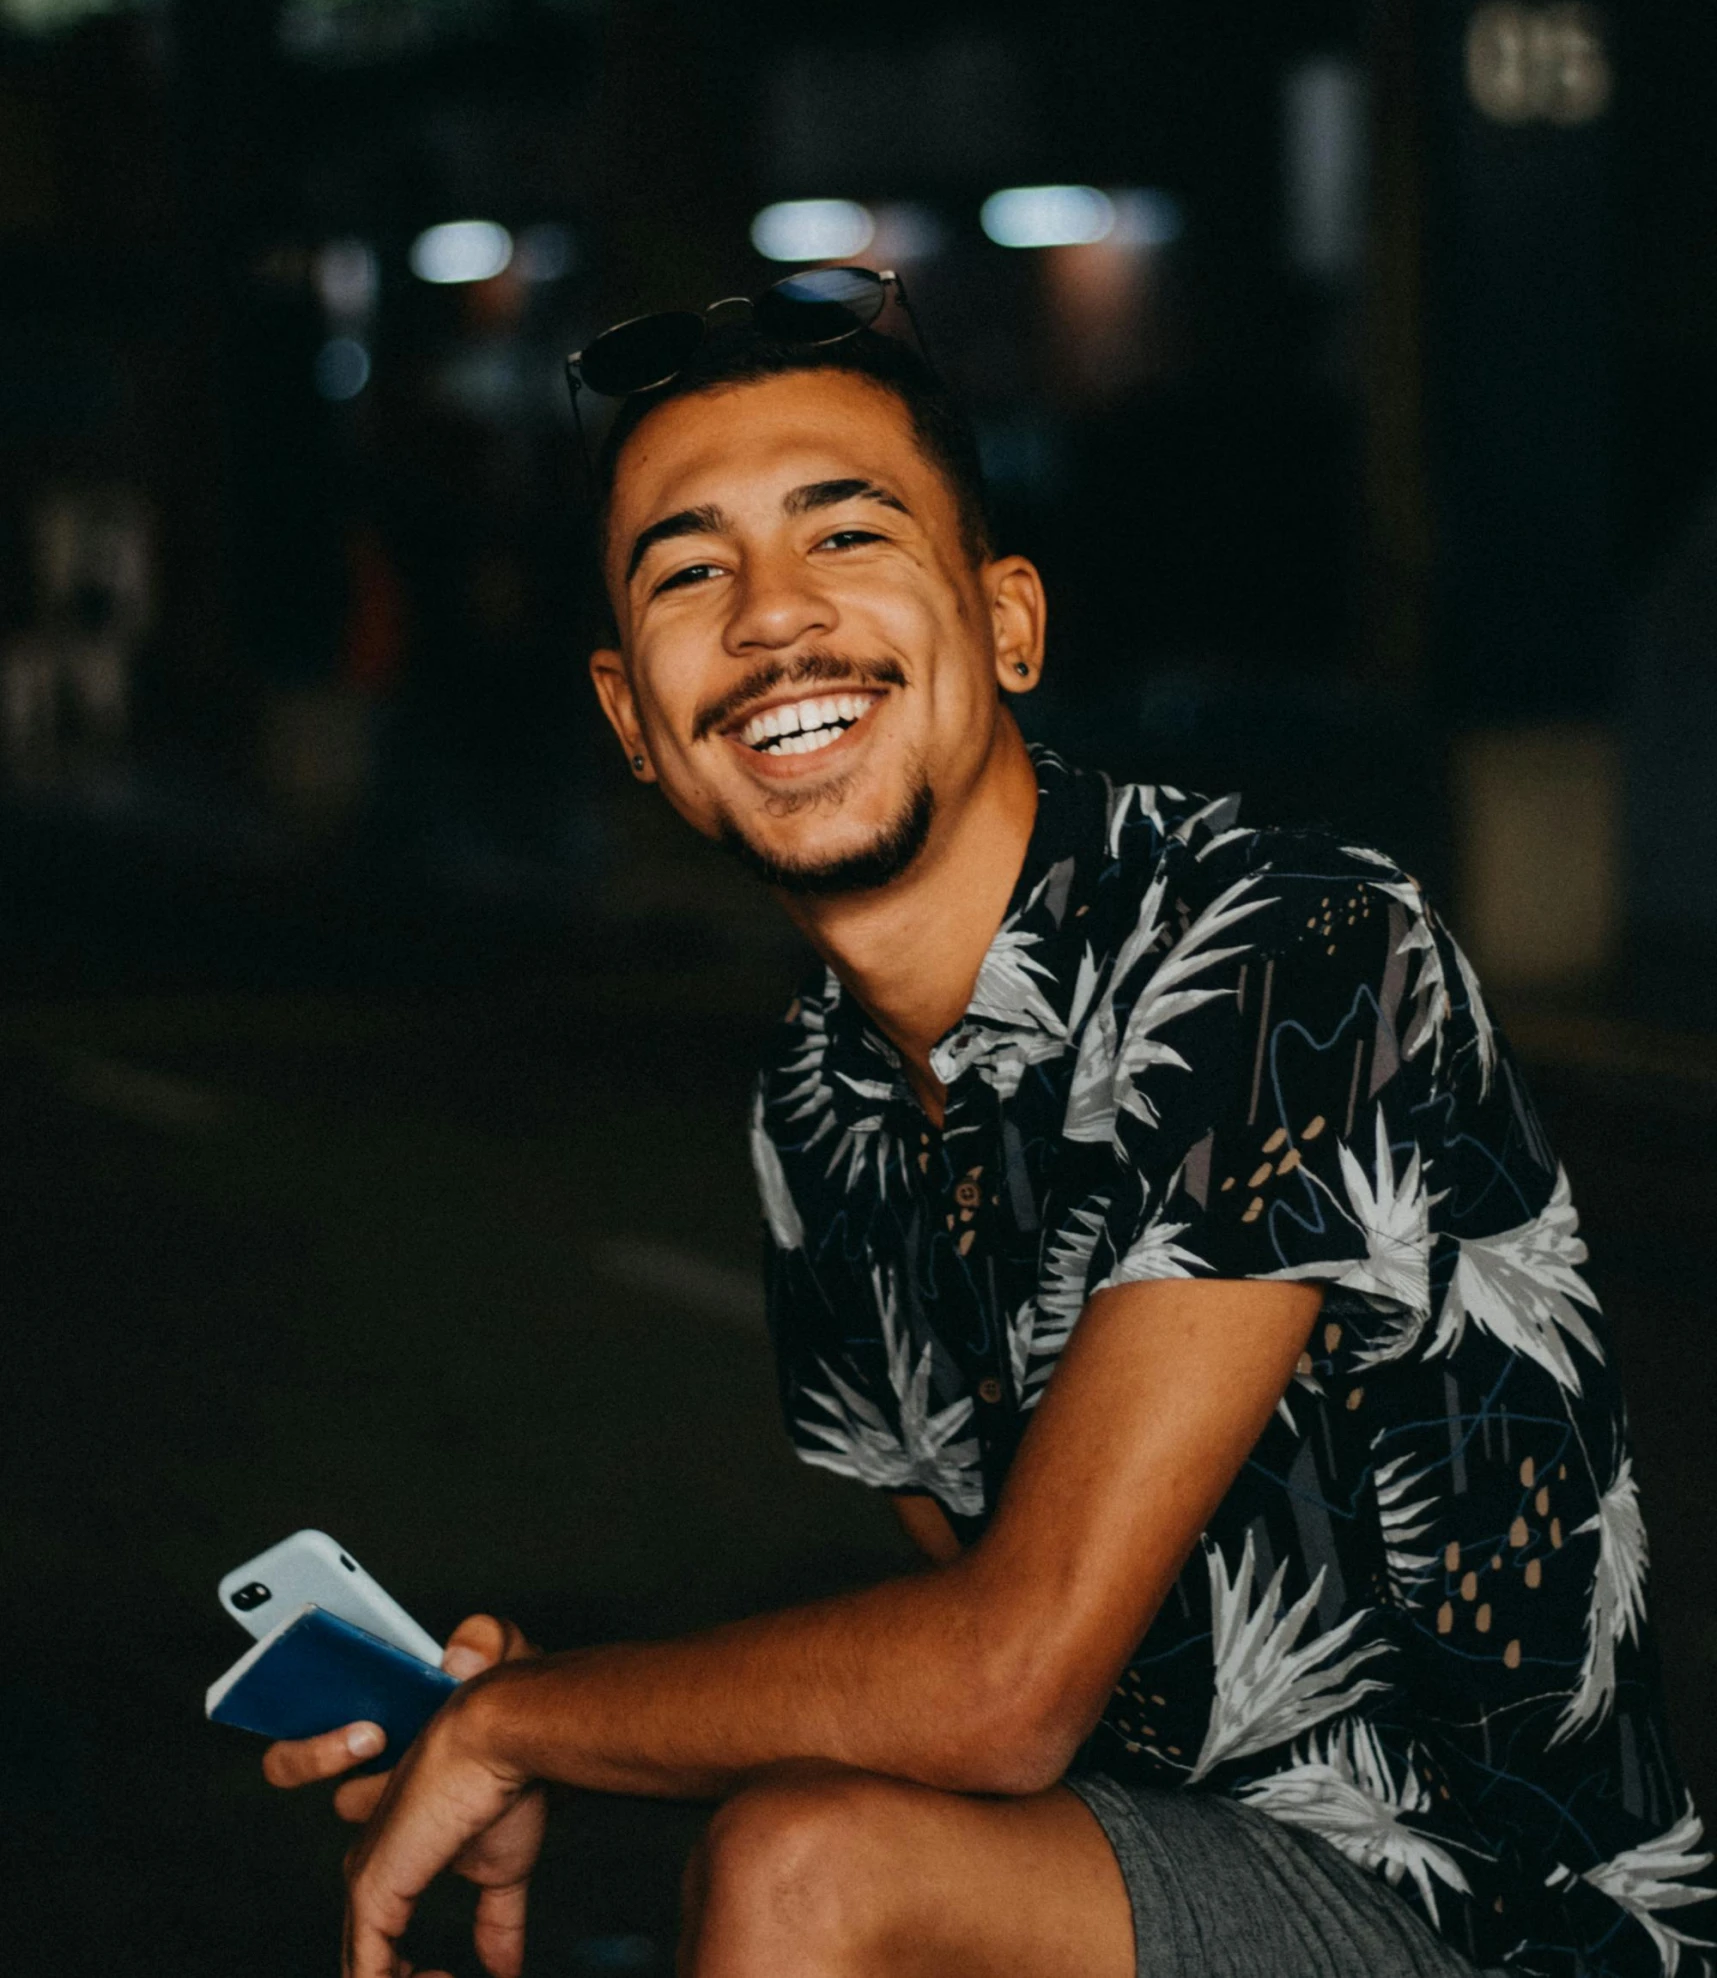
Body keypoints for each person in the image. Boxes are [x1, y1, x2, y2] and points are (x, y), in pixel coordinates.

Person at [263, 312, 1715, 1978]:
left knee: (802, 1868)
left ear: (1008, 620)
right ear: (633, 722)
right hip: (1144, 1875)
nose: (775, 616)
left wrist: (537, 1725)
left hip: (1486, 1924)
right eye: (687, 575)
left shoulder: (1288, 951)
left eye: (849, 533)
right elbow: (965, 1704)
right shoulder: (817, 1110)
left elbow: (1002, 1681)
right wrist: (517, 1720)